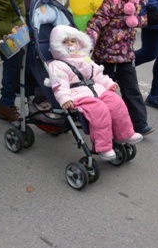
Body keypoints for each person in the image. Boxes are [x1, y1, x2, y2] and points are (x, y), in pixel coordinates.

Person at [46, 25, 143, 160]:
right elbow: (58, 84)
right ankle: (103, 147)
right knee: (100, 110)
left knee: (116, 102)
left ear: (78, 42)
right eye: (64, 42)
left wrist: (108, 83)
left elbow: (97, 74)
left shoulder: (85, 59)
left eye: (72, 41)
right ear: (57, 46)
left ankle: (125, 134)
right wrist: (64, 98)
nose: (70, 44)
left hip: (96, 90)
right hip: (77, 95)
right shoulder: (57, 65)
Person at [86, 0, 154, 135]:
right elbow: (95, 24)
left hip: (125, 56)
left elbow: (130, 22)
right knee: (104, 91)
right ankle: (101, 121)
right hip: (105, 56)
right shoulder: (111, 0)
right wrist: (88, 45)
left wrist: (148, 20)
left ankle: (139, 123)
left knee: (132, 89)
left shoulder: (137, 4)